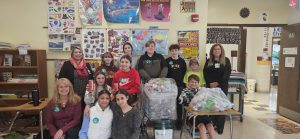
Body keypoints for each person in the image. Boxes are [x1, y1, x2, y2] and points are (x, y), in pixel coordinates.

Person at [203, 43, 231, 134]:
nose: (217, 51)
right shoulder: (208, 61)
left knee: (221, 106)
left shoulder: (226, 60)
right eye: (215, 49)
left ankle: (219, 127)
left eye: (218, 49)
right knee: (211, 105)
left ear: (221, 50)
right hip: (210, 87)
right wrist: (210, 83)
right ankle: (211, 124)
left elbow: (226, 74)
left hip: (222, 86)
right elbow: (205, 73)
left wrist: (217, 83)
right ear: (212, 51)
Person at [178, 75, 216, 139]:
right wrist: (190, 99)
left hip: (203, 114)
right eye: (192, 82)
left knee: (210, 126)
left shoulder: (201, 91)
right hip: (191, 115)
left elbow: (208, 101)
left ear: (198, 83)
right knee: (202, 127)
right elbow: (180, 100)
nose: (194, 84)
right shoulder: (185, 91)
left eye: (196, 82)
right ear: (188, 82)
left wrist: (211, 102)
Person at [165, 44, 187, 129]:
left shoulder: (182, 61)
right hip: (169, 87)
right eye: (172, 50)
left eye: (176, 50)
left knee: (179, 105)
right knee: (169, 105)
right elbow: (165, 73)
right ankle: (170, 123)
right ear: (170, 52)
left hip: (180, 86)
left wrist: (184, 86)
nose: (174, 52)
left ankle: (178, 124)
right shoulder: (167, 61)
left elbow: (184, 73)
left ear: (178, 51)